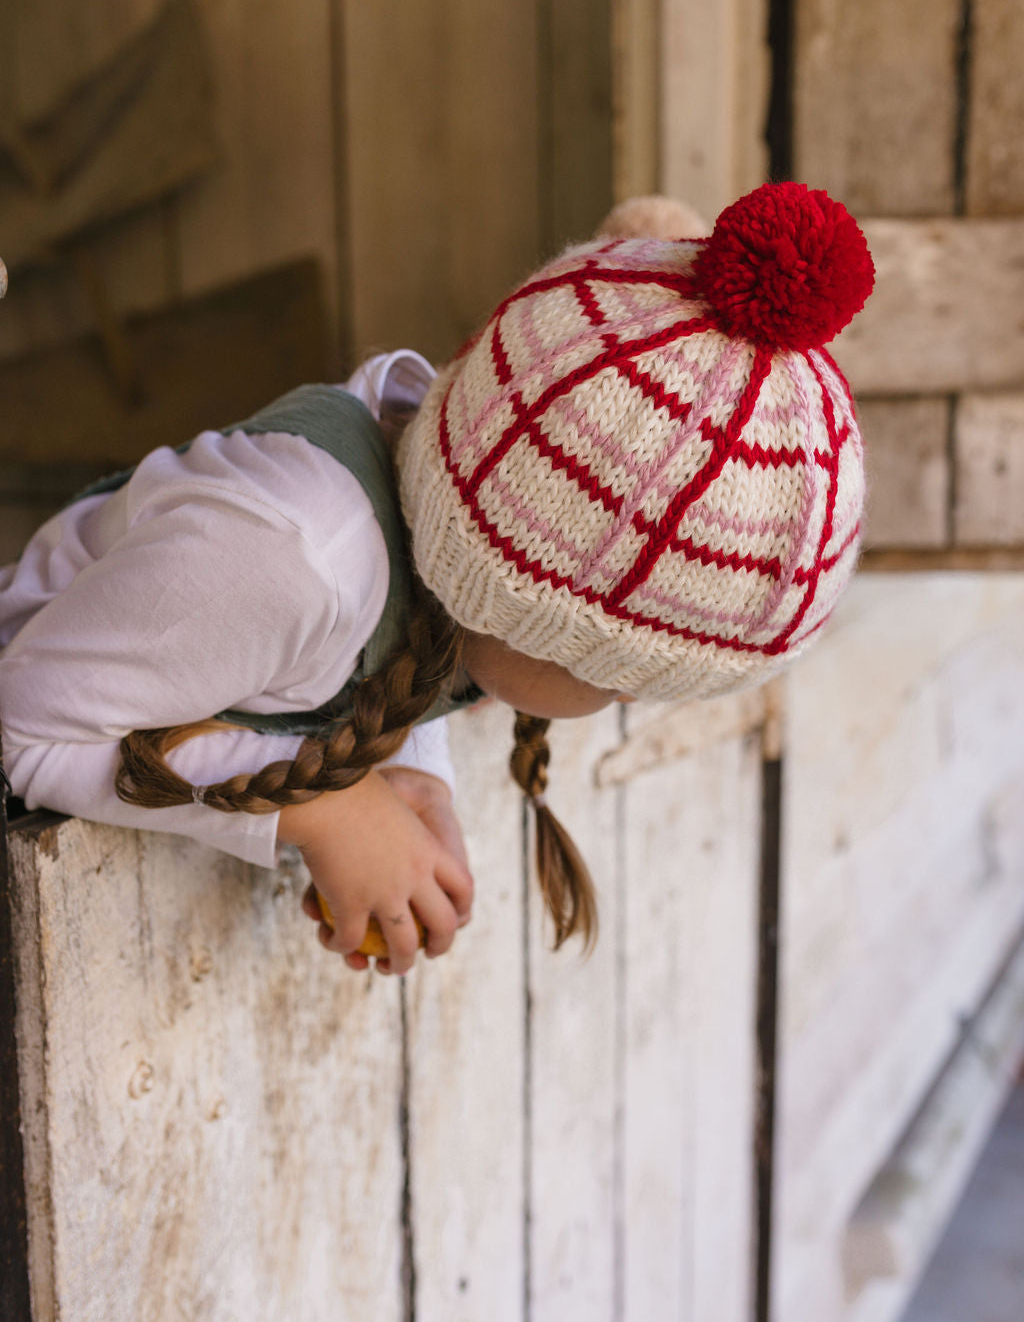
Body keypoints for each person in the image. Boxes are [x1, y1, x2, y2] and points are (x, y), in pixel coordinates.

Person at [0, 181, 874, 975]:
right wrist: (327, 809)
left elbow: (415, 634)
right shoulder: (293, 555)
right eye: (619, 678)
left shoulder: (438, 524)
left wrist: (411, 767)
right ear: (525, 602)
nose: (626, 702)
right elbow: (23, 717)